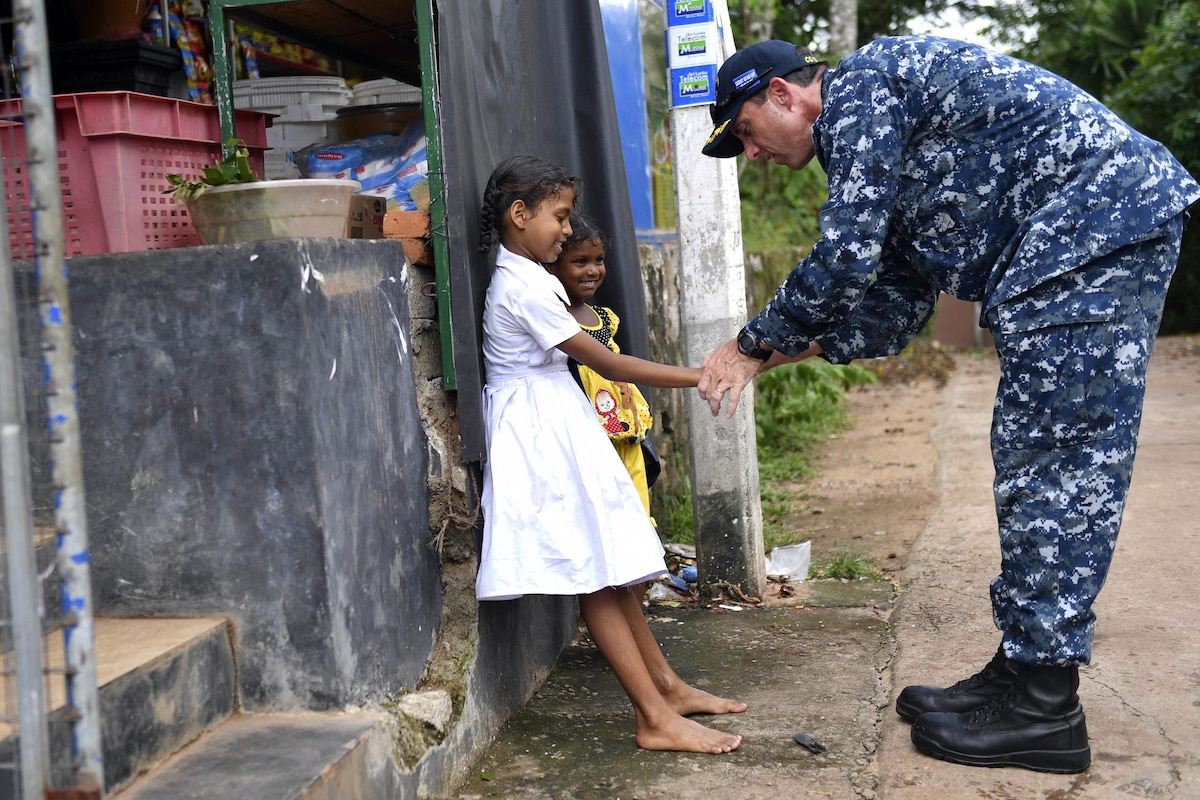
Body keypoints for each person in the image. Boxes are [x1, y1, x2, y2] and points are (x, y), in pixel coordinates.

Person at [696, 36, 1200, 773]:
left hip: (1092, 230)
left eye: (744, 131)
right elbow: (898, 300)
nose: (754, 154)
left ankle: (1046, 706)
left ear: (781, 93)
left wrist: (751, 342)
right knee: (1030, 455)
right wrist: (795, 346)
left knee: (1055, 462)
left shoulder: (862, 89)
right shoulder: (875, 139)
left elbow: (847, 252)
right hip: (1069, 243)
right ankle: (1021, 671)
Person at [475, 154, 745, 754]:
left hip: (556, 421)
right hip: (541, 434)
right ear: (519, 216)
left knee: (613, 572)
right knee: (594, 578)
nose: (568, 231)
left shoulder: (531, 275)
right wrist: (700, 375)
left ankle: (667, 688)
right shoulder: (521, 287)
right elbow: (609, 363)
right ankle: (652, 717)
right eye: (559, 217)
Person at [545, 213, 657, 518]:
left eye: (599, 260)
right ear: (551, 265)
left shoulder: (604, 318)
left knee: (637, 511)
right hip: (592, 439)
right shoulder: (557, 322)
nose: (593, 270)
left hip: (627, 433)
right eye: (580, 262)